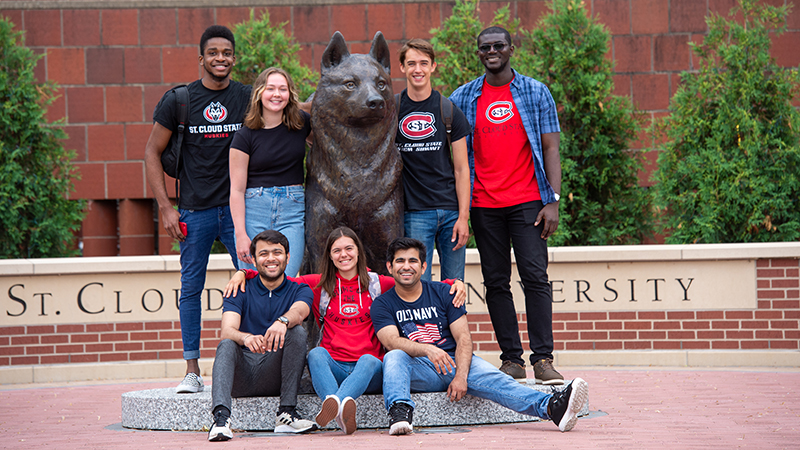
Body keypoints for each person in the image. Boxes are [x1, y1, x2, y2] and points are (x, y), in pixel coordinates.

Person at [225, 226, 466, 435]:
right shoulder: (319, 285)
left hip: (370, 372)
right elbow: (275, 276)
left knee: (370, 360)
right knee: (315, 355)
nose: (344, 255)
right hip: (336, 368)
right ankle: (341, 410)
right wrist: (244, 272)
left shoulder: (377, 283)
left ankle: (335, 405)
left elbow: (416, 282)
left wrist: (454, 284)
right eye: (337, 250)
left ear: (358, 251)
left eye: (349, 248)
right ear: (330, 256)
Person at [370, 237, 588, 436]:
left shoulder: (444, 293)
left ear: (423, 266)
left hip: (455, 362)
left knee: (499, 382)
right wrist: (428, 349)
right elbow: (391, 341)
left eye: (413, 261)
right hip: (419, 368)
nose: (406, 266)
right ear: (390, 267)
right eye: (400, 261)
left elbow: (464, 337)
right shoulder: (382, 303)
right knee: (394, 356)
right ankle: (400, 413)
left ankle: (552, 407)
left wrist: (461, 376)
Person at [449, 26, 564, 383]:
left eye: (499, 45)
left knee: (535, 278)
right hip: (484, 204)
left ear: (511, 48)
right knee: (495, 281)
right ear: (479, 52)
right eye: (485, 47)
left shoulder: (535, 91)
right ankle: (512, 359)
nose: (492, 51)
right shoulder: (463, 97)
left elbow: (551, 148)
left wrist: (553, 201)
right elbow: (454, 158)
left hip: (528, 202)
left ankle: (543, 359)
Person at [144, 25, 251, 394]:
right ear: (201, 58)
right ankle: (192, 368)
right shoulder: (180, 100)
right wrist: (166, 208)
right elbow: (151, 152)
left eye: (227, 53)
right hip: (194, 210)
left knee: (254, 281)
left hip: (238, 212)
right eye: (214, 52)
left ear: (234, 58)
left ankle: (253, 362)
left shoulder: (247, 97)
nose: (221, 58)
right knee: (190, 289)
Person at [208, 230, 316, 441]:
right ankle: (221, 419)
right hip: (243, 372)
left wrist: (282, 321)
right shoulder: (239, 288)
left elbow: (301, 311)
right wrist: (246, 338)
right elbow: (227, 330)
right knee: (227, 344)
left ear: (288, 257)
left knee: (297, 331)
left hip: (276, 372)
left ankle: (286, 414)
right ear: (254, 260)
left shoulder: (300, 289)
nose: (271, 259)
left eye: (277, 252)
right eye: (264, 254)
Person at [395, 39, 471, 282]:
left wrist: (463, 217)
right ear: (402, 68)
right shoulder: (392, 111)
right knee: (417, 287)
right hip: (415, 213)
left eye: (424, 63)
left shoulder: (449, 110)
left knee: (454, 287)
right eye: (412, 63)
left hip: (450, 212)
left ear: (433, 67)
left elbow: (461, 169)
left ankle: (454, 323)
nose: (418, 69)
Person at [229, 67, 311, 277]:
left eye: (283, 89)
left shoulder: (302, 124)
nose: (277, 94)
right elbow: (237, 190)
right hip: (255, 210)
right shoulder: (244, 136)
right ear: (259, 93)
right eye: (271, 88)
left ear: (290, 94)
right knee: (254, 283)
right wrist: (240, 235)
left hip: (292, 211)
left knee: (288, 279)